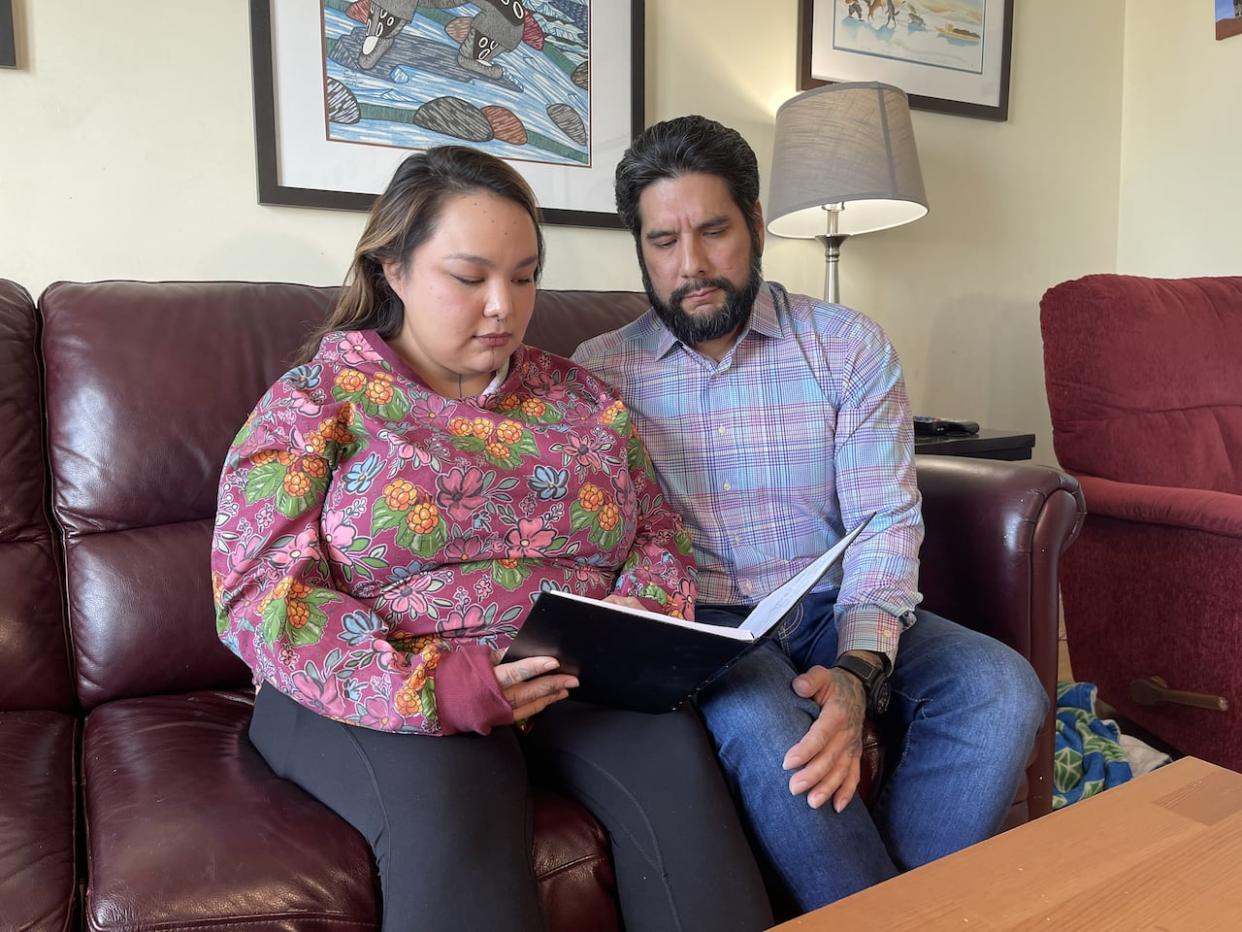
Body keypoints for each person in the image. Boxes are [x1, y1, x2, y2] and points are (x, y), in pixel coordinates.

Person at [211, 145, 772, 932]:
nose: (504, 307)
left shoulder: (581, 396)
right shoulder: (316, 401)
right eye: (470, 278)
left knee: (682, 786)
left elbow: (658, 532)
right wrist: (438, 686)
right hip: (389, 683)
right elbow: (259, 593)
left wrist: (627, 633)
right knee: (455, 811)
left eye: (525, 275)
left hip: (573, 672)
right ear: (392, 270)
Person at [573, 117, 1048, 916]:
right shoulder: (599, 372)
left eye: (714, 230)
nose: (690, 265)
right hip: (713, 627)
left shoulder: (847, 346)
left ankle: (888, 907)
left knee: (1003, 688)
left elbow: (884, 523)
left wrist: (862, 670)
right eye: (662, 241)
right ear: (640, 249)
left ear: (757, 225)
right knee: (768, 727)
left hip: (830, 609)